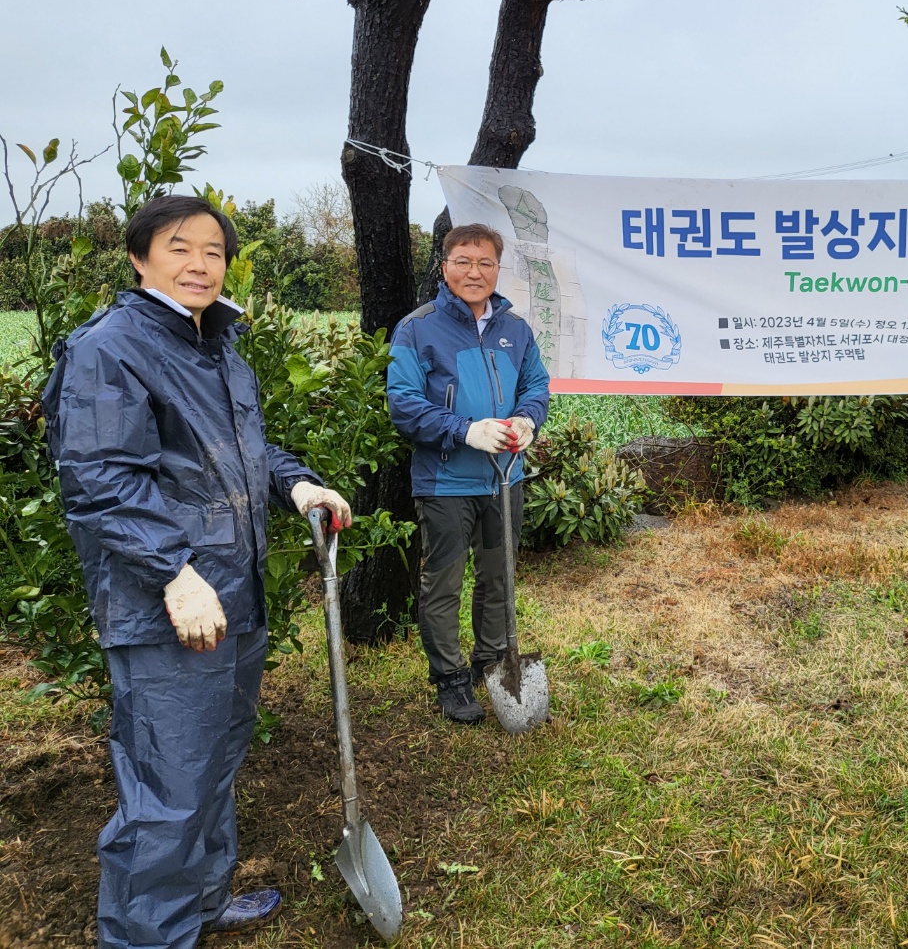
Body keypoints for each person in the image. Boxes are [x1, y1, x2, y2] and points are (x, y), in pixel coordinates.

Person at [47, 195, 353, 948]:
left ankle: (201, 903)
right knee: (167, 787)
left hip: (232, 596)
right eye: (180, 247)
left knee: (213, 764)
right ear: (138, 257)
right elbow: (101, 482)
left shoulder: (215, 345)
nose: (199, 263)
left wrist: (296, 483)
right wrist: (175, 575)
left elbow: (238, 456)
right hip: (167, 606)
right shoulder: (110, 349)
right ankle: (149, 935)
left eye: (213, 251)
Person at [387, 222, 550, 723]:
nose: (474, 272)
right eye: (463, 261)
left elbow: (537, 383)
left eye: (484, 263)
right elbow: (404, 404)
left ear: (497, 270)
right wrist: (463, 430)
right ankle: (450, 678)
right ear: (444, 266)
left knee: (498, 577)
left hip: (505, 478)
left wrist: (528, 418)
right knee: (444, 584)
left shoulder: (514, 329)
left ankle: (492, 660)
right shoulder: (418, 328)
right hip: (446, 483)